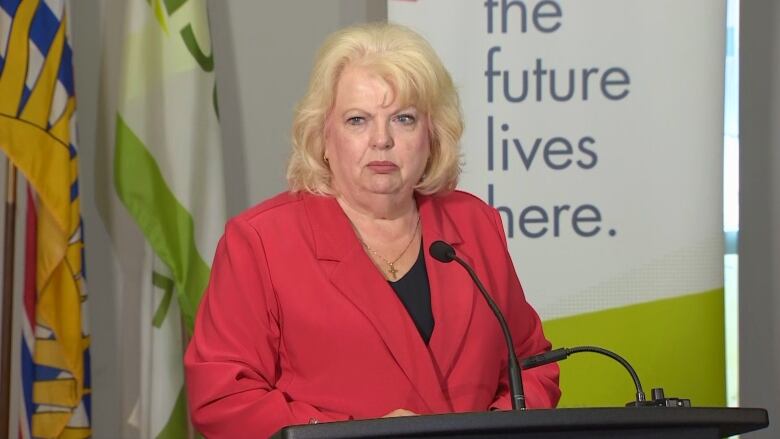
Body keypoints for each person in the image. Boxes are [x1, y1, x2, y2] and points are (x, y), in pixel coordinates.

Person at [184, 22, 560, 438]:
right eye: (357, 120)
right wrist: (352, 436)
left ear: (432, 136)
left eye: (403, 118)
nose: (381, 140)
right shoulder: (261, 242)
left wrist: (487, 431)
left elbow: (531, 365)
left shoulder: (475, 225)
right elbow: (224, 399)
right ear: (323, 136)